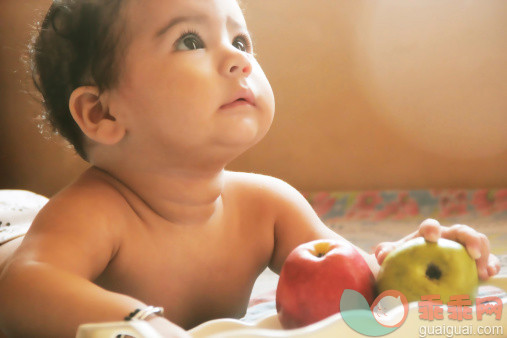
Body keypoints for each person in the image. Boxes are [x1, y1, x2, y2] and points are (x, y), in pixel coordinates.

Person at [0, 0, 500, 336]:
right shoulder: (95, 212)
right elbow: (22, 289)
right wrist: (139, 323)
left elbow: (357, 293)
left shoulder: (269, 205)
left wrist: (418, 260)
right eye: (190, 41)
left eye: (241, 42)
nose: (239, 61)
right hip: (14, 225)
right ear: (102, 114)